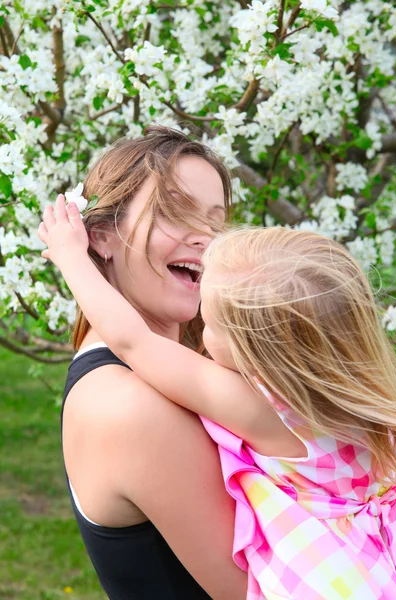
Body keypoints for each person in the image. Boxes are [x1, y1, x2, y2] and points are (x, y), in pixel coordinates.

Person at [39, 201, 396, 600]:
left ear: (255, 350)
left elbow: (132, 342)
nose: (200, 329)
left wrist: (70, 257)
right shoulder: (365, 397)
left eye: (209, 323)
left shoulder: (261, 409)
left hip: (330, 578)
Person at [41, 127, 248, 600]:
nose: (206, 240)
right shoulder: (128, 405)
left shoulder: (178, 371)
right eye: (175, 212)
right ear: (101, 237)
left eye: (217, 222)